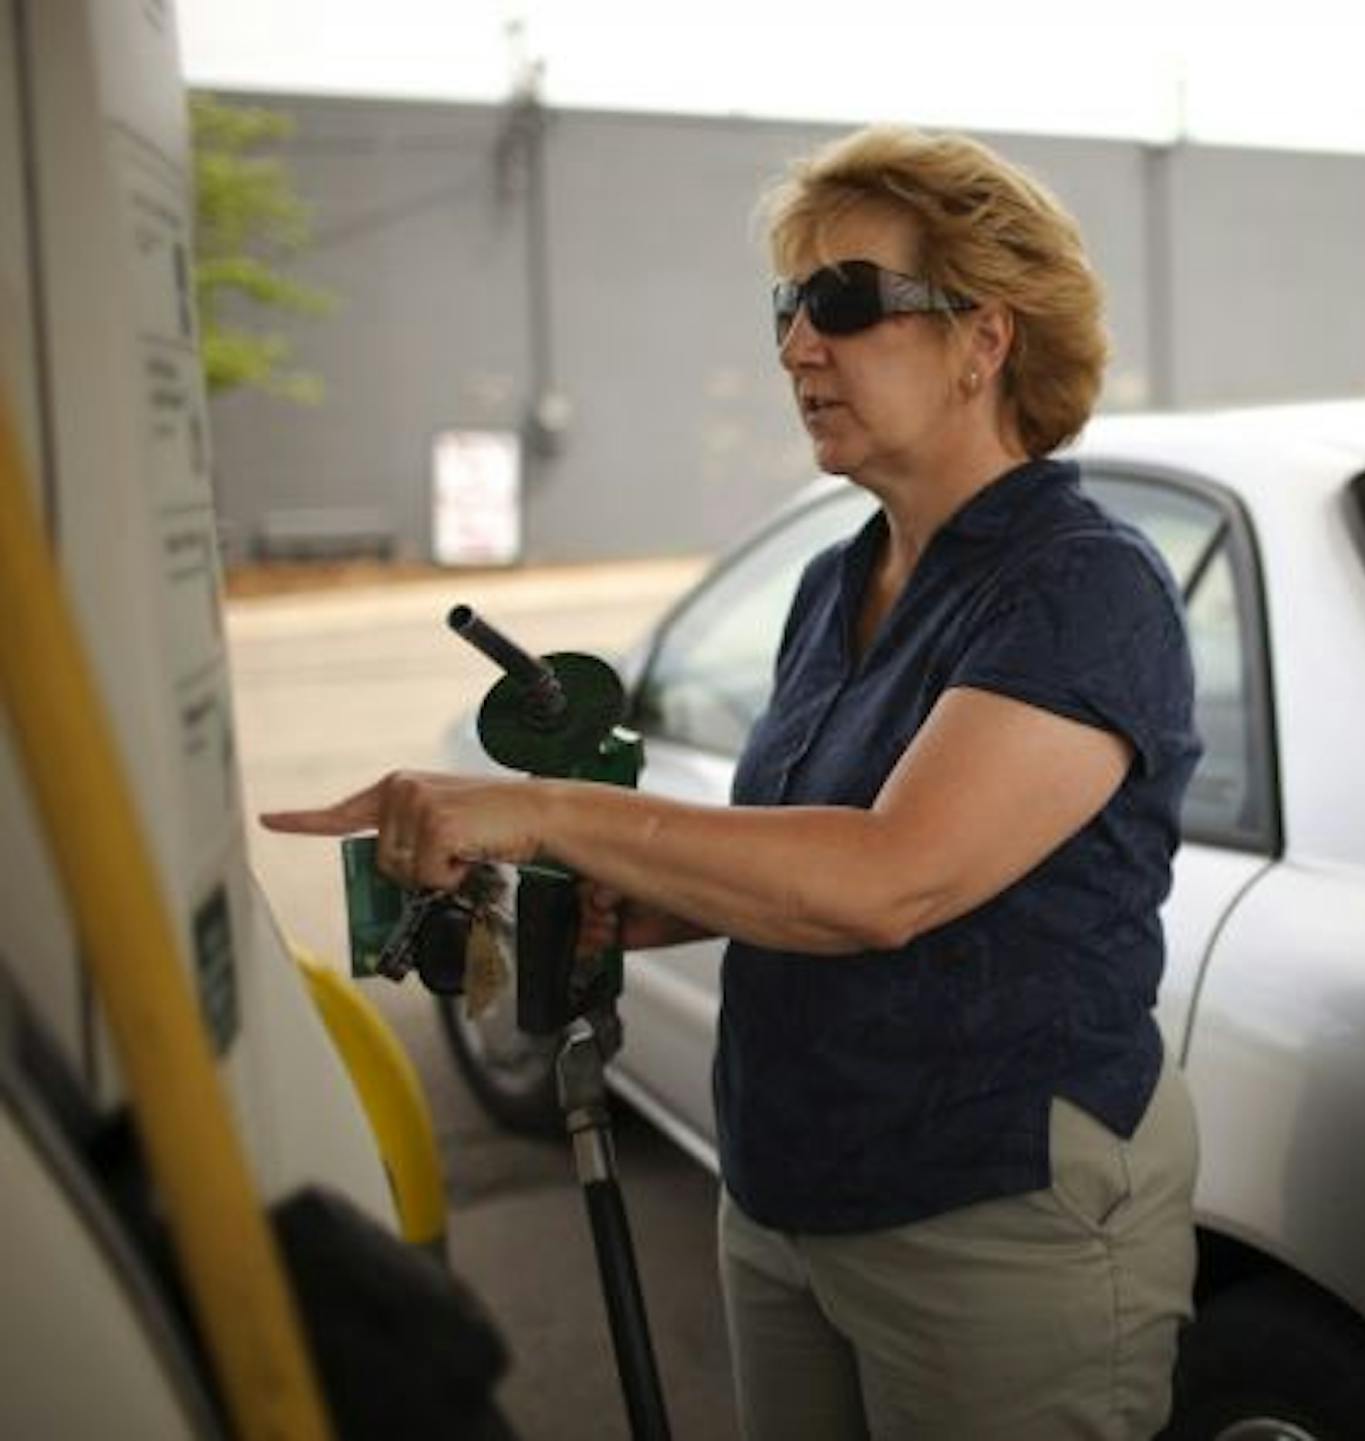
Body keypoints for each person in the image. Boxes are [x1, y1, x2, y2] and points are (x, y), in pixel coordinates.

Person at [263, 125, 1203, 1441]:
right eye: (787, 305)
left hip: (991, 1220)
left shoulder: (1080, 588)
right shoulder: (839, 579)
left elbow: (888, 877)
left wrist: (537, 804)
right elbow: (791, 850)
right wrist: (651, 903)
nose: (796, 345)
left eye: (843, 300)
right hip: (784, 1189)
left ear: (986, 339)